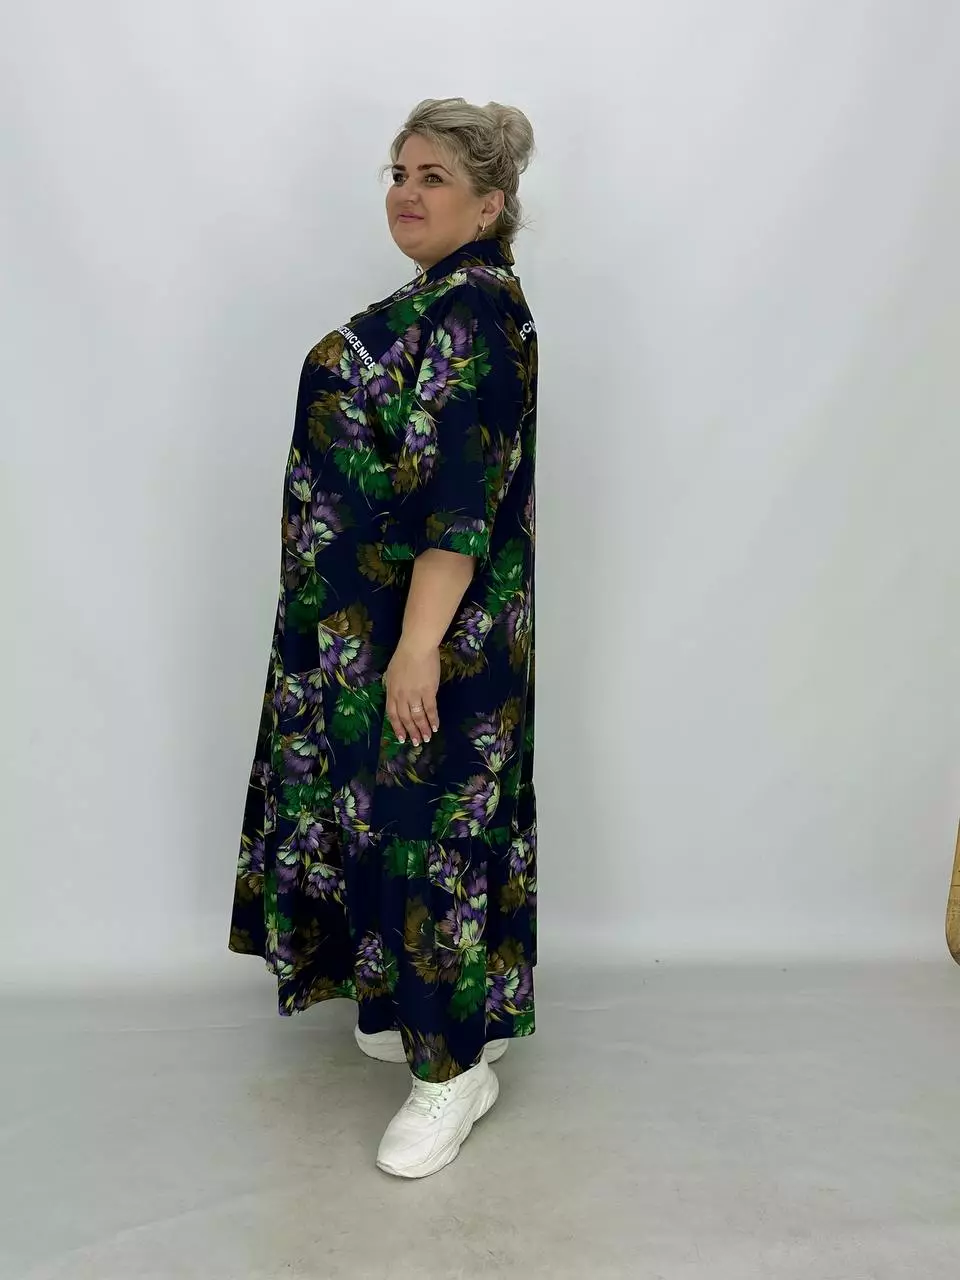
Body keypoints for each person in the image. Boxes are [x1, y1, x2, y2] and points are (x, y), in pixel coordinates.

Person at [228, 97, 538, 1179]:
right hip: (365, 635)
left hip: (426, 636)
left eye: (433, 176)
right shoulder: (435, 297)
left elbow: (461, 501)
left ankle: (451, 1073)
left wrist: (416, 647)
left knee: (431, 834)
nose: (406, 191)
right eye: (398, 172)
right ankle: (416, 1006)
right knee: (385, 822)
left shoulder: (474, 312)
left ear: (490, 204)